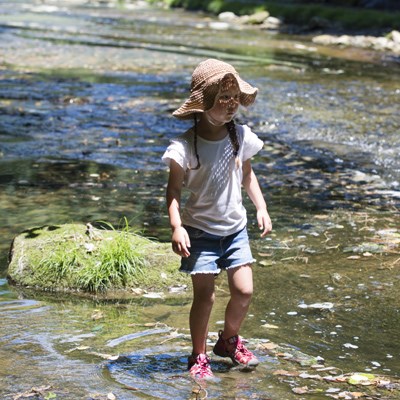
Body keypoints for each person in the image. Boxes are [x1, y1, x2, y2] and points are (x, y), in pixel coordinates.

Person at [162, 58, 272, 380]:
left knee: (244, 291)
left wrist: (261, 208)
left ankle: (228, 340)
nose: (230, 105)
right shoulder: (185, 146)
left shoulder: (240, 136)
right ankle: (198, 355)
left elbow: (248, 175)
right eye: (222, 99)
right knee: (205, 297)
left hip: (235, 229)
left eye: (234, 98)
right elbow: (172, 192)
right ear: (203, 103)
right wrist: (176, 226)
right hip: (200, 232)